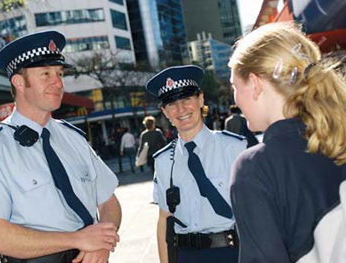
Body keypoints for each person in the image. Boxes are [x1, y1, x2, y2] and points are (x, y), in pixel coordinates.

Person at [0, 30, 121, 263]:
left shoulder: (74, 138)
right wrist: (77, 240)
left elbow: (109, 202)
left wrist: (102, 241)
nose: (58, 83)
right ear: (19, 82)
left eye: (59, 73)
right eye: (46, 74)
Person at [229, 22, 346, 263]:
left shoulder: (255, 167)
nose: (236, 99)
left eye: (234, 86)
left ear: (255, 84)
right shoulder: (337, 137)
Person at [147, 65, 247, 263]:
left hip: (231, 253)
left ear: (200, 99)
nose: (181, 109)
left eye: (186, 99)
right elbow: (164, 221)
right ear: (164, 112)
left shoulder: (234, 148)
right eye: (172, 104)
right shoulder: (164, 161)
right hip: (186, 256)